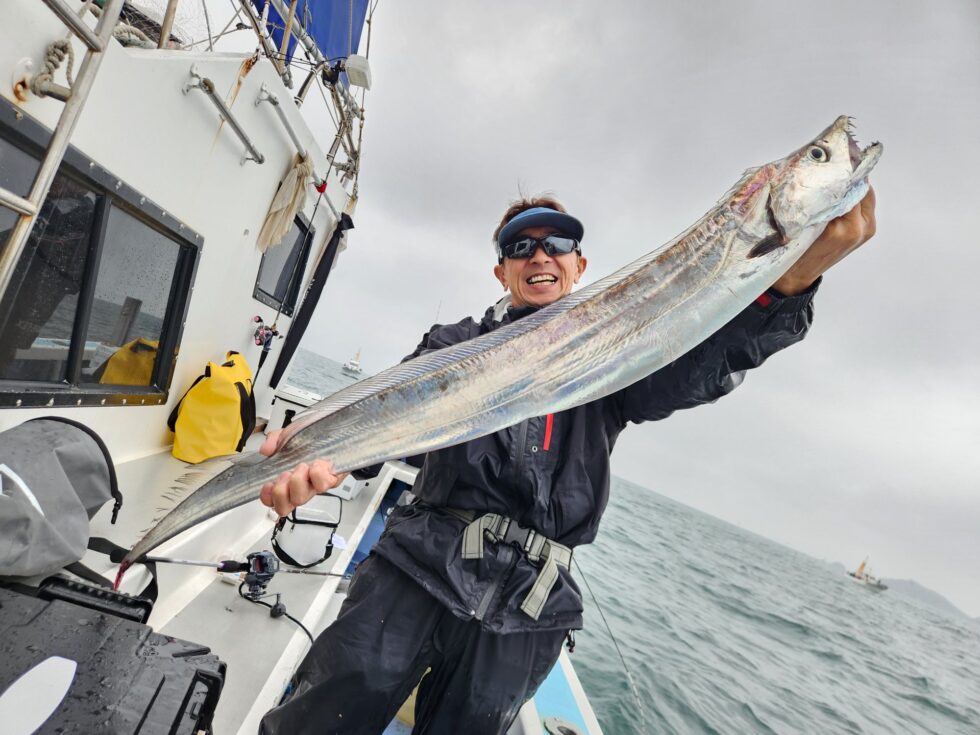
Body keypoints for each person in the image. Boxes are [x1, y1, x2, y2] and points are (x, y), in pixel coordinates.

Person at [257, 189, 877, 734]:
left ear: (579, 266)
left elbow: (702, 369)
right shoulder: (453, 344)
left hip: (529, 605)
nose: (539, 254)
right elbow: (385, 423)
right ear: (501, 272)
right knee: (324, 713)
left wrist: (788, 289)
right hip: (417, 568)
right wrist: (318, 460)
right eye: (519, 246)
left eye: (558, 242)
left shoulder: (616, 361)